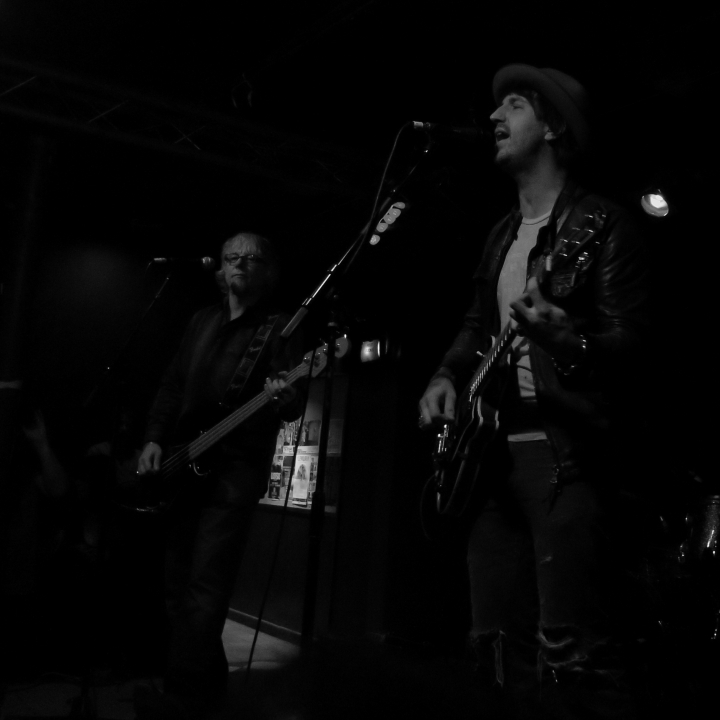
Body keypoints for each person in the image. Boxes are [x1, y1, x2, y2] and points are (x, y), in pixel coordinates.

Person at [418, 65, 650, 719]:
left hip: (563, 454)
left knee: (570, 649)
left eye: (514, 105)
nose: (495, 117)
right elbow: (476, 326)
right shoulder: (501, 235)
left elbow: (632, 346)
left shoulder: (603, 225)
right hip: (489, 454)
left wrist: (569, 340)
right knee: (492, 645)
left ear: (551, 127)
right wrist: (444, 377)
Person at [134, 232, 303, 720]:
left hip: (235, 468)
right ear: (220, 268)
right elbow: (172, 384)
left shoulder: (280, 328)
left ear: (269, 271)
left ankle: (182, 698)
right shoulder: (201, 321)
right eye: (233, 257)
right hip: (184, 460)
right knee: (175, 586)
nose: (241, 263)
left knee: (205, 590)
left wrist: (286, 398)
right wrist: (154, 438)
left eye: (253, 258)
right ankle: (206, 693)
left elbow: (289, 401)